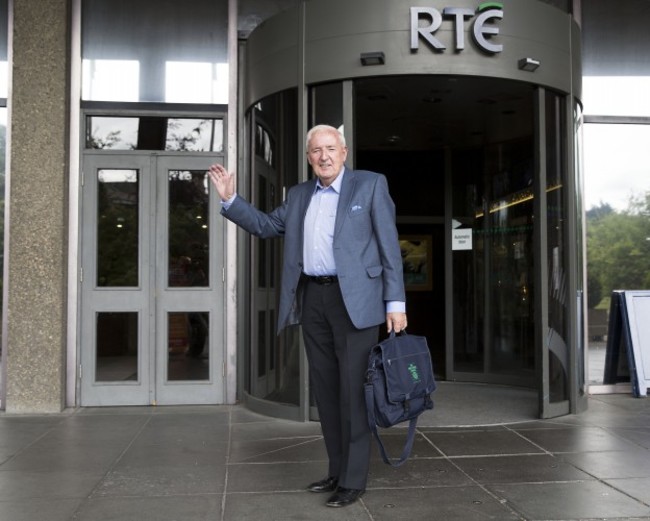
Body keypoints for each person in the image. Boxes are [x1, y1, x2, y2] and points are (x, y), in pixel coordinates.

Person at [208, 124, 407, 508]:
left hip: (357, 303)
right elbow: (267, 226)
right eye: (316, 150)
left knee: (353, 393)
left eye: (331, 148)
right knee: (327, 394)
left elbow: (389, 246)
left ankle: (354, 479)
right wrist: (231, 199)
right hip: (313, 299)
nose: (324, 156)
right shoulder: (299, 195)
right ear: (308, 157)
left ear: (344, 152)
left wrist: (395, 303)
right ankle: (337, 469)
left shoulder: (369, 185)